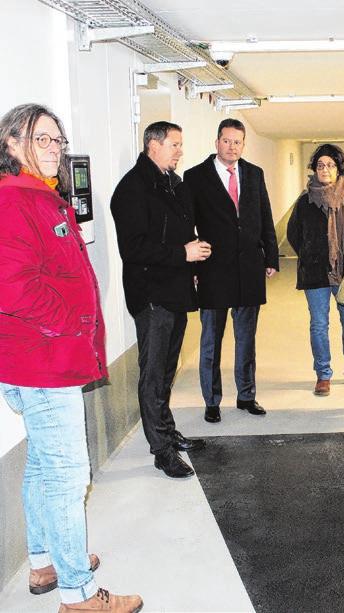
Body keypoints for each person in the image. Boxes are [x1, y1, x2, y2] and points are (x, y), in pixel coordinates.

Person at [0, 104, 142, 612]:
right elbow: (11, 287)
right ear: (12, 144)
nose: (54, 148)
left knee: (42, 466)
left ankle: (44, 561)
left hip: (41, 358)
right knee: (66, 475)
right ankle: (79, 595)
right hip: (42, 360)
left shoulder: (41, 195)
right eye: (42, 139)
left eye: (57, 140)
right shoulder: (13, 199)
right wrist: (71, 322)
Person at [111, 121, 209, 479]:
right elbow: (133, 248)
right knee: (153, 374)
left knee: (167, 371)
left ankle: (167, 430)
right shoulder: (131, 190)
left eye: (180, 145)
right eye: (174, 144)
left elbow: (181, 233)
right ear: (153, 145)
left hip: (177, 291)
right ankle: (161, 450)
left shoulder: (174, 184)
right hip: (151, 295)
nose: (180, 151)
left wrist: (193, 258)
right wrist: (182, 253)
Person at [184, 119, 279, 423]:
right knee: (211, 339)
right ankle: (212, 401)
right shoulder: (195, 177)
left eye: (238, 142)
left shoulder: (253, 174)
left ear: (243, 144)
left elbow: (264, 215)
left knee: (246, 339)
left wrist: (271, 257)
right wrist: (194, 266)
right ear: (216, 143)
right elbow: (188, 226)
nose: (232, 147)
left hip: (248, 269)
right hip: (213, 269)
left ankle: (246, 396)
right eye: (227, 141)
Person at [286, 144, 344, 395]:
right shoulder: (305, 201)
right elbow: (294, 234)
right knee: (319, 324)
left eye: (331, 165)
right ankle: (323, 374)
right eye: (320, 165)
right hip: (314, 272)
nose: (325, 169)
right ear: (314, 169)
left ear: (339, 169)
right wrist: (311, 253)